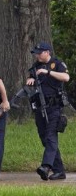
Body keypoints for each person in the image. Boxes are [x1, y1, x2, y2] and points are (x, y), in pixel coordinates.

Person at [27, 42, 70, 181]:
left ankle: (46, 166)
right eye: (36, 53)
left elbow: (66, 77)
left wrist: (48, 72)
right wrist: (31, 79)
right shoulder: (35, 66)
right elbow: (30, 78)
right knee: (45, 138)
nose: (37, 55)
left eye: (40, 53)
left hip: (54, 107)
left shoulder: (57, 63)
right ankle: (59, 171)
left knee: (51, 137)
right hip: (40, 107)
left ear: (47, 52)